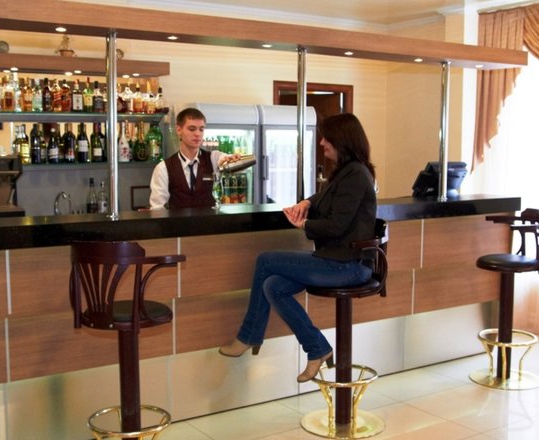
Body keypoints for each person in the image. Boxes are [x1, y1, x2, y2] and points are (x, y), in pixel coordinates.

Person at [218, 113, 377, 383]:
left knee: (266, 260)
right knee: (273, 286)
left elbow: (337, 226)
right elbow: (327, 197)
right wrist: (307, 202)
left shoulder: (355, 175)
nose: (322, 143)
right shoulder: (349, 172)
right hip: (337, 260)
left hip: (348, 266)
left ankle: (248, 336)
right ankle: (317, 348)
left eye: (327, 138)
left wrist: (304, 225)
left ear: (343, 140)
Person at [149, 107, 240, 210]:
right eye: (192, 129)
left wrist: (230, 159)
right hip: (178, 221)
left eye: (201, 129)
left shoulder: (213, 158)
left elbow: (224, 158)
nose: (197, 134)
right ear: (179, 130)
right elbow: (157, 208)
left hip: (210, 220)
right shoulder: (163, 168)